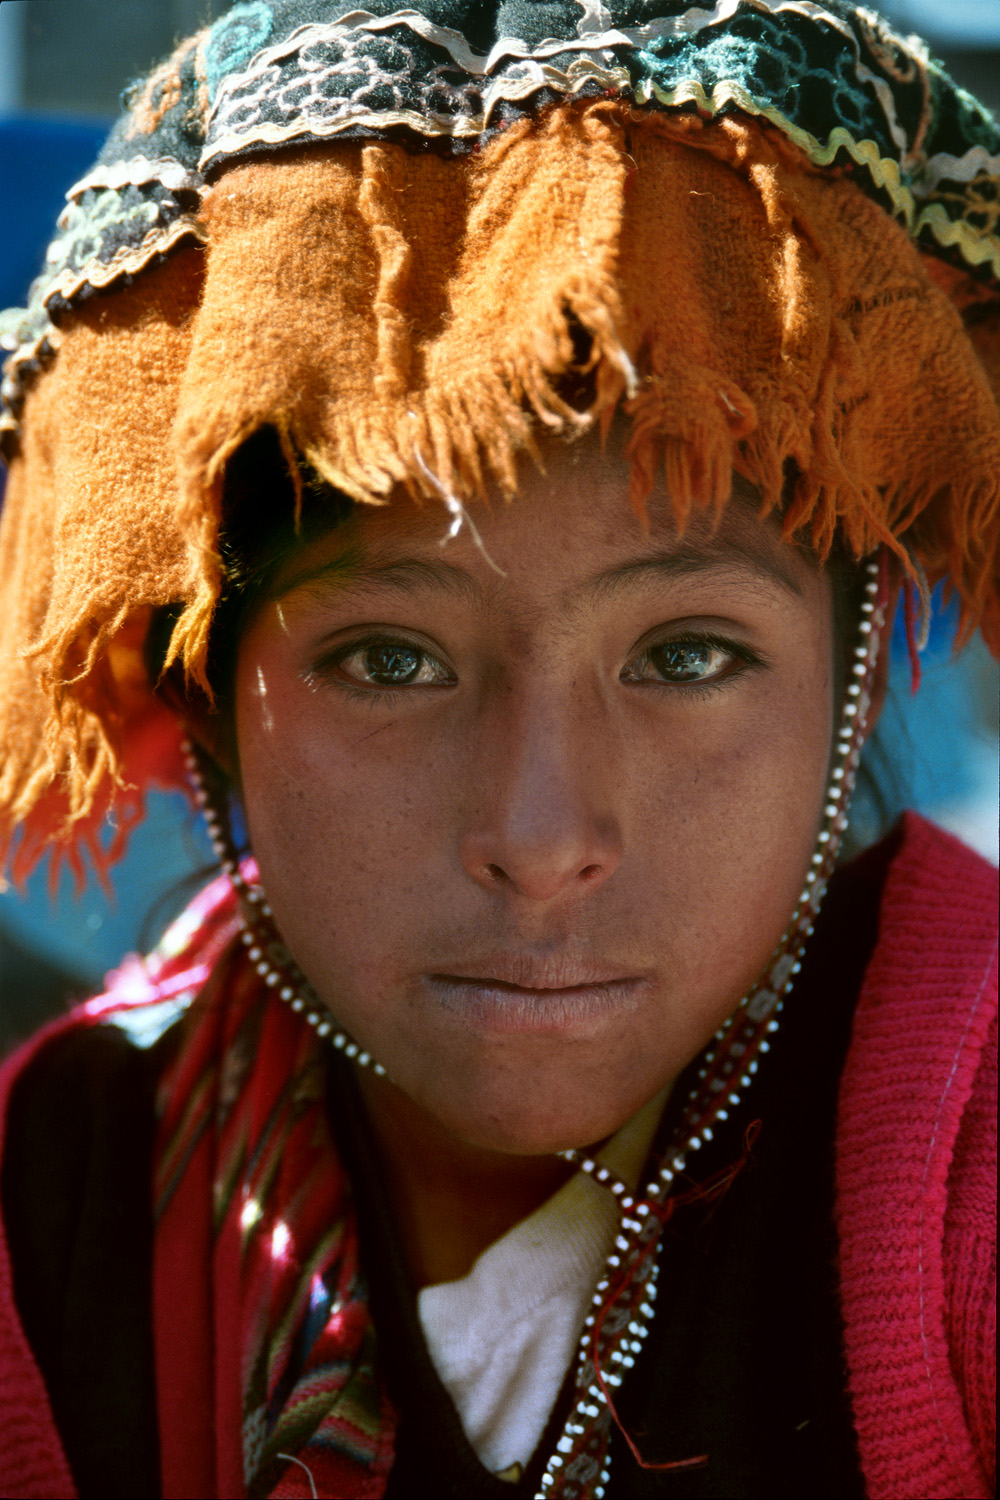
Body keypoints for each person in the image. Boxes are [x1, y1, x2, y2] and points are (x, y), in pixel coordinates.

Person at [0, 3, 996, 1497]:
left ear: (855, 675)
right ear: (200, 687)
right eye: (389, 662)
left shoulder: (966, 1174)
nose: (540, 840)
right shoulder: (50, 1202)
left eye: (688, 656)